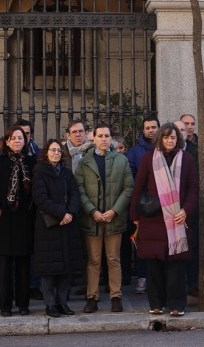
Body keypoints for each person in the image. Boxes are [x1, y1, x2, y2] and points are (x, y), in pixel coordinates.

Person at [131, 123, 199, 317]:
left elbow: (193, 188)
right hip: (153, 219)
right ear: (160, 138)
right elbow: (138, 187)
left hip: (177, 219)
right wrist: (134, 216)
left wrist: (186, 210)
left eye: (174, 138)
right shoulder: (147, 159)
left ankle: (177, 305)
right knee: (155, 266)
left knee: (176, 266)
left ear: (178, 140)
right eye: (167, 137)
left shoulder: (186, 159)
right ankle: (156, 304)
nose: (170, 141)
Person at [74, 124, 133, 313]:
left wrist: (115, 210)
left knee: (114, 259)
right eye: (100, 135)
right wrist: (92, 211)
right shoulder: (84, 162)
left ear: (111, 139)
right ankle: (92, 297)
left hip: (113, 219)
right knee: (93, 260)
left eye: (107, 135)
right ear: (94, 138)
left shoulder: (121, 160)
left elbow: (128, 187)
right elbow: (79, 189)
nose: (104, 139)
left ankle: (116, 296)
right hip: (93, 220)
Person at [0, 127, 38, 315]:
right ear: (7, 141)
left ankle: (23, 305)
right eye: (13, 138)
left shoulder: (32, 162)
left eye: (20, 138)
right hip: (4, 220)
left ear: (25, 141)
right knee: (5, 266)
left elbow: (36, 191)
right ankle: (5, 305)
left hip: (25, 220)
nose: (17, 141)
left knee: (24, 265)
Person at [29, 139, 83, 317]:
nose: (56, 153)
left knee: (65, 268)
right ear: (46, 153)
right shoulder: (39, 172)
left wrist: (71, 213)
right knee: (48, 269)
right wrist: (62, 213)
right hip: (48, 226)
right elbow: (40, 198)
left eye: (59, 151)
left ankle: (63, 303)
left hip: (67, 225)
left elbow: (75, 194)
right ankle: (50, 304)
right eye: (52, 150)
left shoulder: (67, 173)